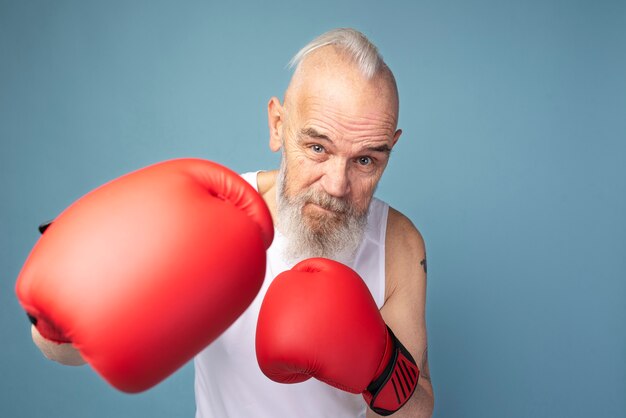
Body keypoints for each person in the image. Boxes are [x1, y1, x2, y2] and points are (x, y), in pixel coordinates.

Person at [28, 28, 434, 417]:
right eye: (317, 148)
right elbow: (63, 352)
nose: (337, 185)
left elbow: (416, 411)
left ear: (390, 149)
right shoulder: (213, 218)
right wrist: (64, 315)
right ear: (278, 125)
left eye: (366, 160)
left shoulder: (397, 244)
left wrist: (381, 367)